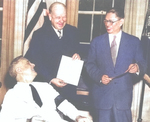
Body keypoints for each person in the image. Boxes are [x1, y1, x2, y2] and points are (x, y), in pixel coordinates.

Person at [85, 7, 146, 122]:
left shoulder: (134, 42)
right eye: (106, 21)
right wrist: (99, 77)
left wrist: (137, 67)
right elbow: (89, 64)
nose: (108, 24)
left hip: (123, 99)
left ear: (121, 21)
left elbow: (142, 62)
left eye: (111, 21)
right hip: (102, 98)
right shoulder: (96, 42)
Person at [24, 2, 83, 106]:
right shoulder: (39, 35)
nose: (61, 21)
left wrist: (78, 54)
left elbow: (80, 50)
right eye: (58, 17)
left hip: (68, 90)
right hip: (47, 87)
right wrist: (51, 79)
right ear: (50, 16)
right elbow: (35, 61)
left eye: (64, 17)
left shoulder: (73, 31)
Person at [0, 56, 92, 122]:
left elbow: (63, 104)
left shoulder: (45, 86)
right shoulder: (12, 95)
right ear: (19, 70)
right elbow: (5, 119)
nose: (33, 64)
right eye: (28, 63)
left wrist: (77, 116)